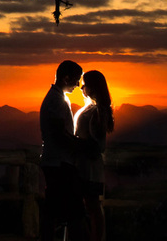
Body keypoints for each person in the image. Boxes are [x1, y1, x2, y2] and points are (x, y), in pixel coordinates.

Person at [40, 60, 88, 240]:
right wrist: (80, 146)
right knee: (74, 211)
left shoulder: (57, 98)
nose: (78, 85)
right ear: (66, 77)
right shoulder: (56, 101)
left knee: (55, 210)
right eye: (76, 80)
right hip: (59, 164)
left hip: (56, 162)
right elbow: (59, 133)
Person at [74, 70, 114, 241]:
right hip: (84, 167)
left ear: (92, 87)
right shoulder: (92, 109)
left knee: (92, 207)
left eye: (85, 84)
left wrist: (73, 142)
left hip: (89, 169)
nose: (82, 88)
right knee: (88, 207)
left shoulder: (98, 111)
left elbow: (98, 146)